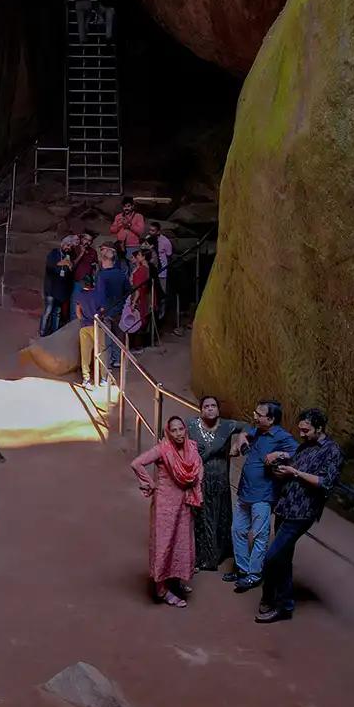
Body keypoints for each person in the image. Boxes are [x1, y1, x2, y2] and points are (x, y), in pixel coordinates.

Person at [258, 408, 344, 622]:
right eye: (300, 430)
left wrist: (294, 473)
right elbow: (295, 463)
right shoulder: (306, 446)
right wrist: (284, 465)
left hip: (302, 512)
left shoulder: (332, 451)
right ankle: (281, 603)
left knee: (273, 556)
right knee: (284, 557)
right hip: (286, 505)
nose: (302, 434)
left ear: (320, 428)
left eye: (306, 430)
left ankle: (274, 600)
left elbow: (326, 482)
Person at [131, 416, 203, 607]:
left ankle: (175, 579)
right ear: (168, 432)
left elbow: (198, 469)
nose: (179, 434)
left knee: (181, 541)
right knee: (164, 544)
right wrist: (149, 483)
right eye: (174, 430)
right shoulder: (162, 449)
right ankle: (162, 589)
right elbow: (136, 463)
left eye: (181, 429)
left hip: (184, 503)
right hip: (165, 505)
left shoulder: (191, 447)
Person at [227, 400, 296, 592]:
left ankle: (254, 574)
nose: (255, 416)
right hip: (245, 491)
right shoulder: (257, 430)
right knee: (238, 530)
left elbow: (299, 452)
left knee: (259, 535)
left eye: (259, 414)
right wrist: (241, 439)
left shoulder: (281, 436)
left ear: (271, 419)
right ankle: (242, 570)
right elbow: (244, 432)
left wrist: (279, 454)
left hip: (263, 495)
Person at [190, 397, 244, 571]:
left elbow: (250, 427)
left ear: (218, 409)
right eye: (206, 406)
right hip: (200, 478)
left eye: (213, 406)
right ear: (201, 410)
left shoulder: (227, 426)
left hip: (220, 479)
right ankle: (204, 556)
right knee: (202, 517)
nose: (210, 409)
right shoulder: (191, 425)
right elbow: (170, 431)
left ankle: (220, 551)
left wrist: (241, 437)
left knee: (220, 514)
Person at [92, 242, 128, 371]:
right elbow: (128, 290)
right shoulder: (121, 274)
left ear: (104, 260)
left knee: (106, 337)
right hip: (119, 309)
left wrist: (100, 309)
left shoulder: (102, 275)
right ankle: (117, 359)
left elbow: (100, 294)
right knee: (118, 335)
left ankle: (106, 363)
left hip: (106, 310)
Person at [71, 268, 105, 386]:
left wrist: (82, 320)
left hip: (84, 327)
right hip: (97, 325)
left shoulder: (80, 295)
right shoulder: (98, 294)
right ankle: (103, 378)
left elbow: (78, 312)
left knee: (85, 354)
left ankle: (86, 378)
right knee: (101, 352)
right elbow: (102, 309)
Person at [41, 236, 75, 337]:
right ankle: (42, 332)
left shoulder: (69, 257)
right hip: (51, 289)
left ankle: (54, 333)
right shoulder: (54, 253)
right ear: (62, 244)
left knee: (57, 313)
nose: (68, 247)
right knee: (48, 311)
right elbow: (50, 267)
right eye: (67, 245)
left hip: (61, 291)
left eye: (70, 246)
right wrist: (62, 263)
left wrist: (70, 266)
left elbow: (69, 274)